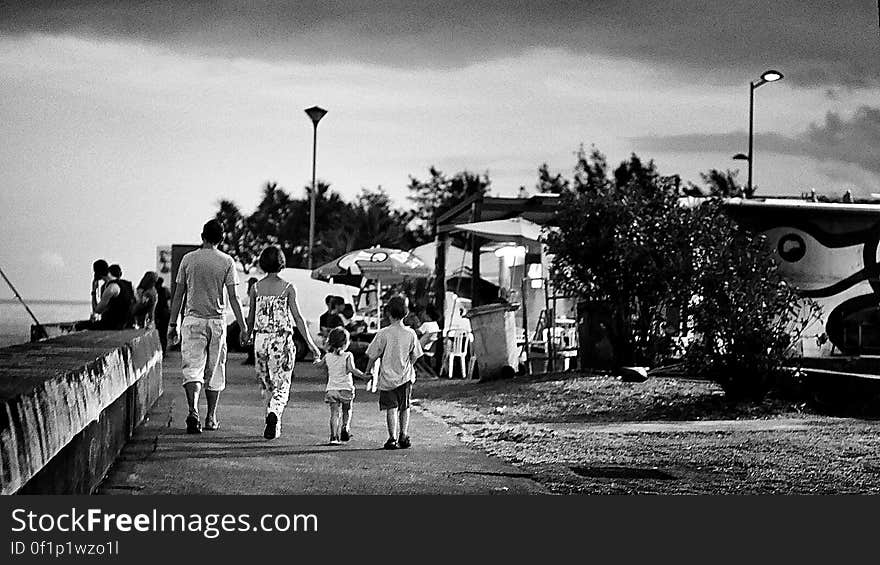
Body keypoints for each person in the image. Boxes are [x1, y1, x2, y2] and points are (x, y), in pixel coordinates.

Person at [168, 220, 248, 434]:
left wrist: (172, 323)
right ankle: (211, 417)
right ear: (221, 239)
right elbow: (233, 297)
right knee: (215, 370)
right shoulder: (227, 261)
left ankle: (193, 410)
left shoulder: (188, 260)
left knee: (193, 368)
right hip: (217, 322)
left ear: (202, 236)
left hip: (192, 320)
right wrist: (243, 326)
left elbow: (178, 295)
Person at [245, 245, 321, 440]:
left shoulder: (255, 288)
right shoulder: (288, 288)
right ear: (281, 263)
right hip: (281, 340)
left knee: (266, 384)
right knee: (282, 384)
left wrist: (246, 335)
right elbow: (298, 318)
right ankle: (274, 413)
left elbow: (251, 317)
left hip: (261, 340)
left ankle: (271, 422)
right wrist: (311, 344)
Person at [365, 295, 424, 450]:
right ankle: (403, 435)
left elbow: (372, 354)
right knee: (404, 407)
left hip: (387, 378)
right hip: (405, 377)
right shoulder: (411, 333)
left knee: (391, 409)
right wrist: (409, 365)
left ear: (388, 313)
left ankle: (392, 438)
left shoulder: (383, 333)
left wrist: (368, 370)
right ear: (406, 313)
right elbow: (415, 355)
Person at [321, 327, 367, 445]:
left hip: (332, 389)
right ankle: (345, 427)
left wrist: (316, 358)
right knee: (347, 410)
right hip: (346, 388)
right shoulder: (348, 355)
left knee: (334, 413)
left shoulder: (328, 356)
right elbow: (352, 369)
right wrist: (364, 376)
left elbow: (318, 365)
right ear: (346, 343)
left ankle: (333, 437)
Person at [91, 261, 135, 330]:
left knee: (78, 326)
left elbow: (97, 310)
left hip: (113, 325)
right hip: (128, 324)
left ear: (98, 275)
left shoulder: (111, 288)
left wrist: (94, 291)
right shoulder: (129, 284)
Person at [243, 277, 259, 366]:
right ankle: (252, 358)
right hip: (256, 321)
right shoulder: (257, 293)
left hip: (251, 320)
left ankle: (251, 358)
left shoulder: (252, 295)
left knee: (251, 340)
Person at [154, 277, 171, 352]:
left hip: (157, 313)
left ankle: (159, 349)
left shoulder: (155, 291)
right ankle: (163, 350)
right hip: (165, 313)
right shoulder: (165, 290)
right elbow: (169, 299)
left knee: (158, 332)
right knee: (164, 333)